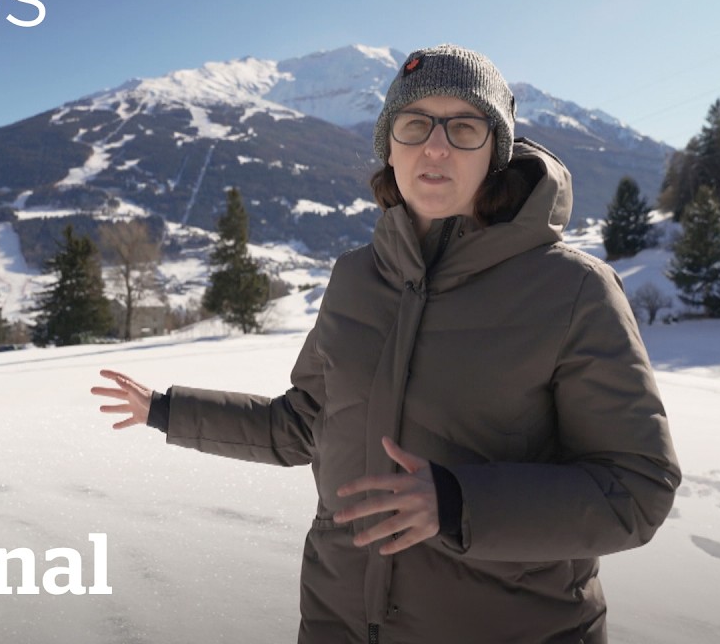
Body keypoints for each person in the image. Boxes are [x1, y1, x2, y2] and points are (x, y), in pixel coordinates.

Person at [91, 44, 681, 643]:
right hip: (338, 624)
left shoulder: (572, 290)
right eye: (415, 124)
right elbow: (300, 426)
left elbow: (636, 488)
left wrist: (458, 504)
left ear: (496, 153)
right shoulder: (356, 279)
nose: (436, 147)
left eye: (464, 128)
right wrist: (164, 409)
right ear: (389, 146)